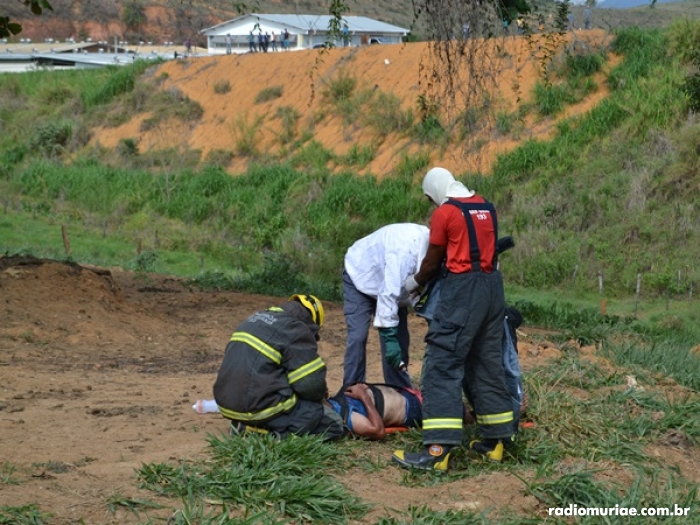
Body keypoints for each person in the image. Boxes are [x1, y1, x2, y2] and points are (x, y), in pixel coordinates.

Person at [392, 167, 514, 471]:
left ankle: (437, 452)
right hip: (492, 290)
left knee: (441, 366)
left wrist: (412, 284)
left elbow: (433, 262)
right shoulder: (486, 206)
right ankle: (495, 442)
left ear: (435, 191)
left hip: (463, 293)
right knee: (486, 363)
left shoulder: (445, 213)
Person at [213, 294, 343, 440]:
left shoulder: (252, 320)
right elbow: (309, 386)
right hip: (260, 407)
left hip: (228, 405)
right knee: (333, 423)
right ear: (312, 323)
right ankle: (271, 436)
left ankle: (244, 425)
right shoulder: (295, 329)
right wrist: (320, 398)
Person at [342, 223, 430, 390]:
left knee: (400, 340)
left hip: (391, 284)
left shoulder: (436, 254)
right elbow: (388, 293)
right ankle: (351, 392)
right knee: (358, 336)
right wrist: (389, 337)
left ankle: (400, 392)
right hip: (360, 275)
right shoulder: (405, 252)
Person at [326, 382, 423, 440]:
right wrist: (363, 395)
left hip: (410, 395)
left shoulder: (334, 401)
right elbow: (377, 431)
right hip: (414, 408)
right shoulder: (347, 417)